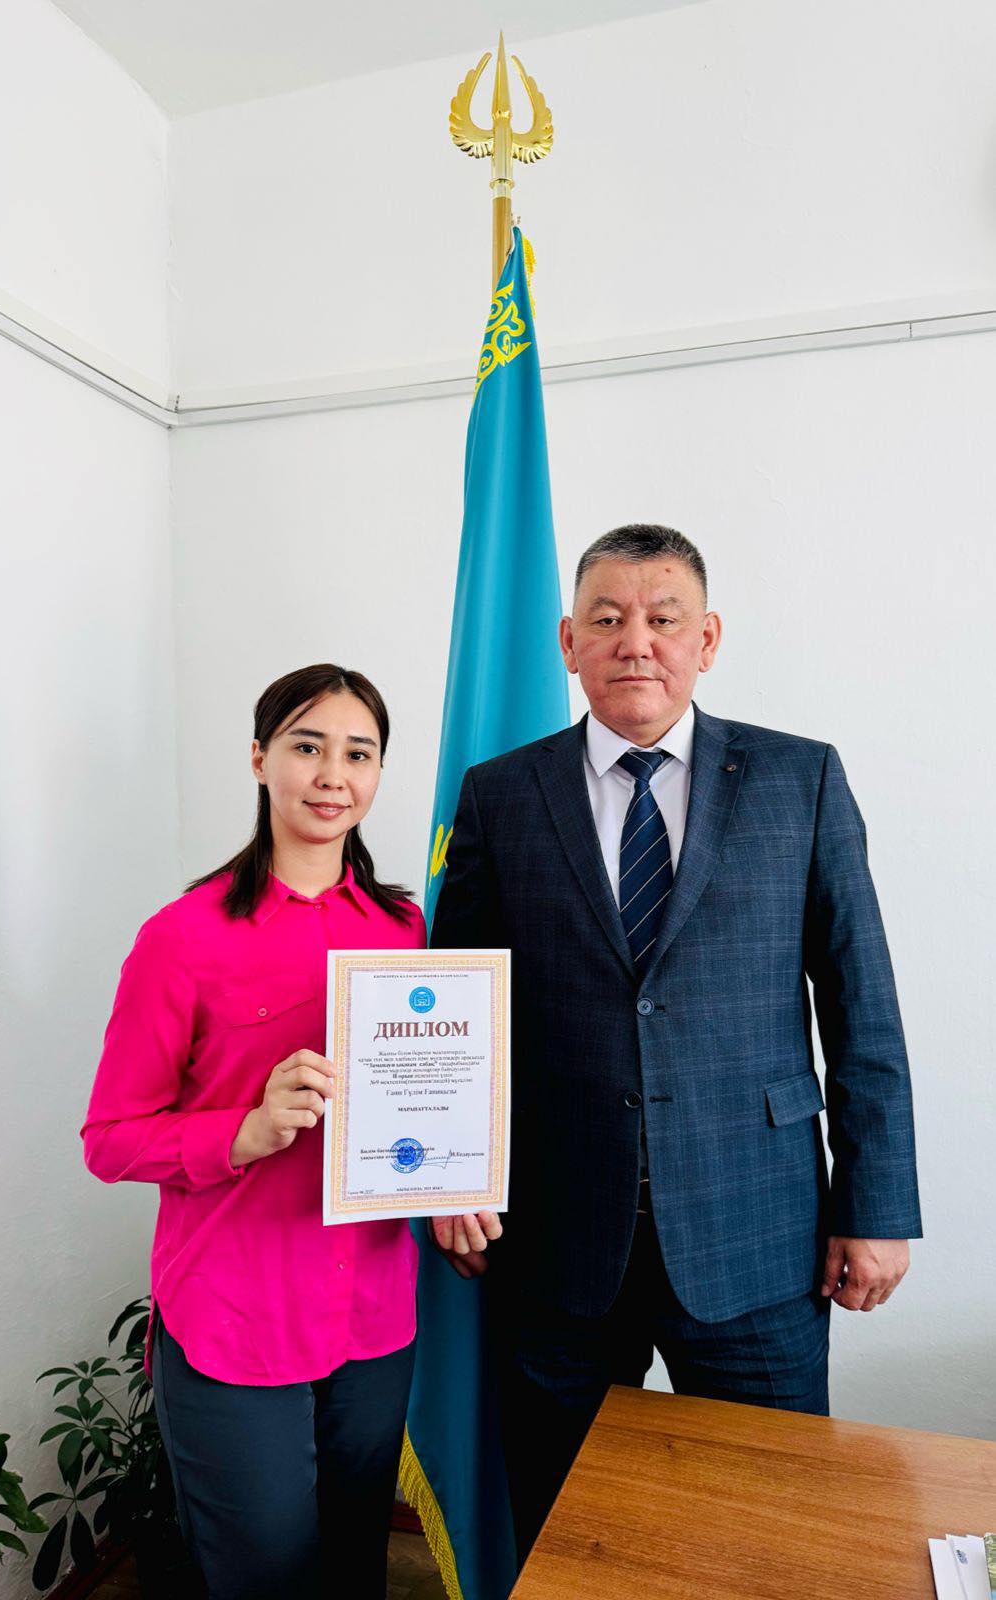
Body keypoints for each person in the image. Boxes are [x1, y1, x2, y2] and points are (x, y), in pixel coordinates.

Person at [430, 523, 922, 1561]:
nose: (635, 642)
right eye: (606, 619)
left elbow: (860, 1006)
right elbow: (458, 1011)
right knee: (568, 1538)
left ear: (706, 639)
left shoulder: (799, 779)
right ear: (568, 640)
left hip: (758, 1236)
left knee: (770, 1533)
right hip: (556, 1239)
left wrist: (875, 1206)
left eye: (662, 619)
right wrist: (447, 1175)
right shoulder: (500, 794)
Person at [81, 664, 426, 1600]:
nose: (332, 775)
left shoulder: (404, 929)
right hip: (236, 1320)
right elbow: (110, 1138)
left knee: (356, 1567)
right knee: (263, 1578)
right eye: (307, 746)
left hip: (373, 1314)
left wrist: (456, 1188)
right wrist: (244, 1131)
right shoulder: (181, 937)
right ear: (259, 758)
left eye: (358, 754)